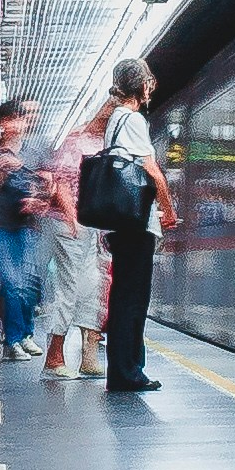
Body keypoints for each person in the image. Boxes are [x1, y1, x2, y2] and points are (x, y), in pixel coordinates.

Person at [91, 56, 168, 395]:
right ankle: (128, 373)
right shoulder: (132, 119)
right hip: (137, 225)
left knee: (125, 296)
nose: (151, 89)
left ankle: (126, 370)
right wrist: (168, 208)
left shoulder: (115, 121)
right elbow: (151, 170)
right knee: (133, 299)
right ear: (140, 86)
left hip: (123, 226)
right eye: (148, 83)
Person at [30, 113, 108, 377]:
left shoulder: (104, 140)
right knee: (70, 289)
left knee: (92, 287)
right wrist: (72, 217)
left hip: (89, 224)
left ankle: (89, 357)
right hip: (68, 223)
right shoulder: (75, 140)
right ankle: (54, 357)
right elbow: (61, 182)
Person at [0, 96, 48, 357]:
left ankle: (27, 334)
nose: (14, 126)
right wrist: (2, 172)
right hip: (1, 225)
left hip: (28, 225)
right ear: (1, 123)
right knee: (11, 283)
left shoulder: (34, 151)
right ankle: (12, 340)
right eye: (9, 120)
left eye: (18, 120)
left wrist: (38, 199)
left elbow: (47, 185)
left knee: (29, 283)